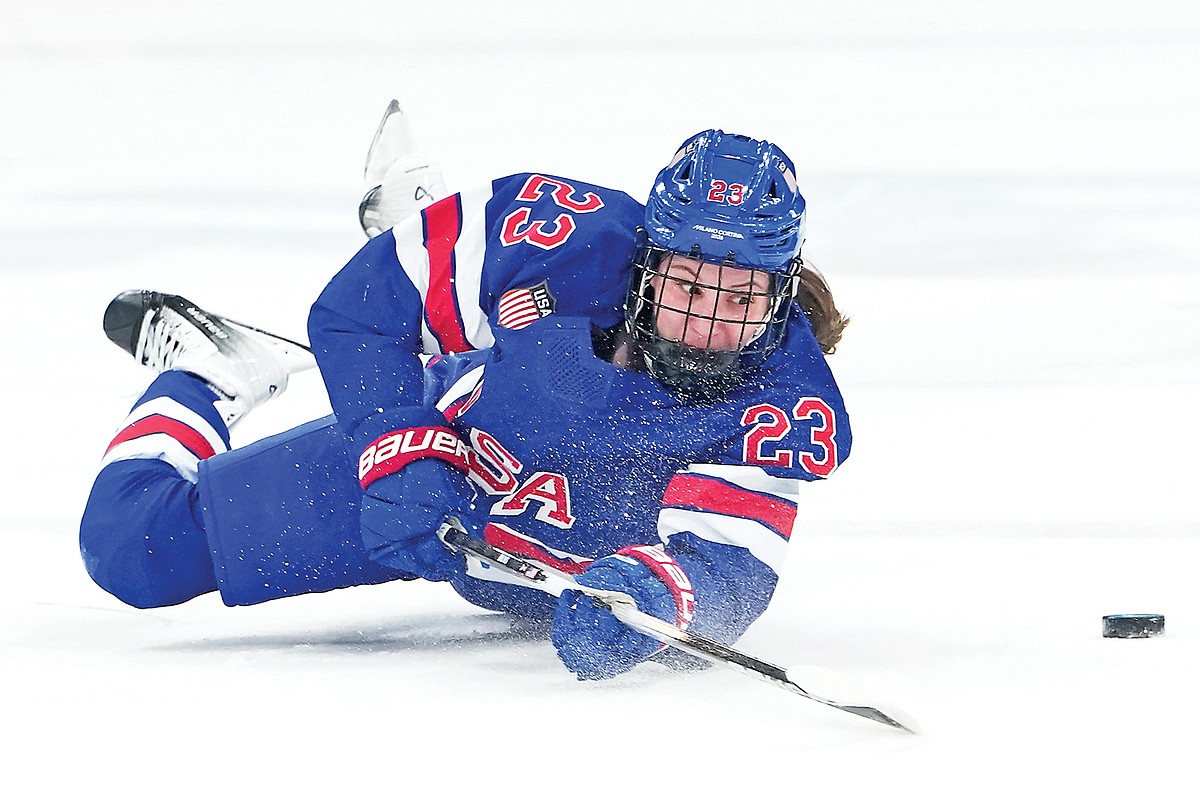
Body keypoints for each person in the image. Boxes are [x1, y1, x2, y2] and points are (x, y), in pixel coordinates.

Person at [79, 104, 851, 681]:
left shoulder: (782, 407)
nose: (704, 325)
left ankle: (427, 235)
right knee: (130, 550)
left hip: (530, 567)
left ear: (781, 298)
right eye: (687, 284)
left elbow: (728, 572)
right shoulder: (559, 239)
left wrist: (652, 592)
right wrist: (396, 445)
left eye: (741, 297)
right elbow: (360, 311)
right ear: (648, 267)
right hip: (436, 468)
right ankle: (215, 371)